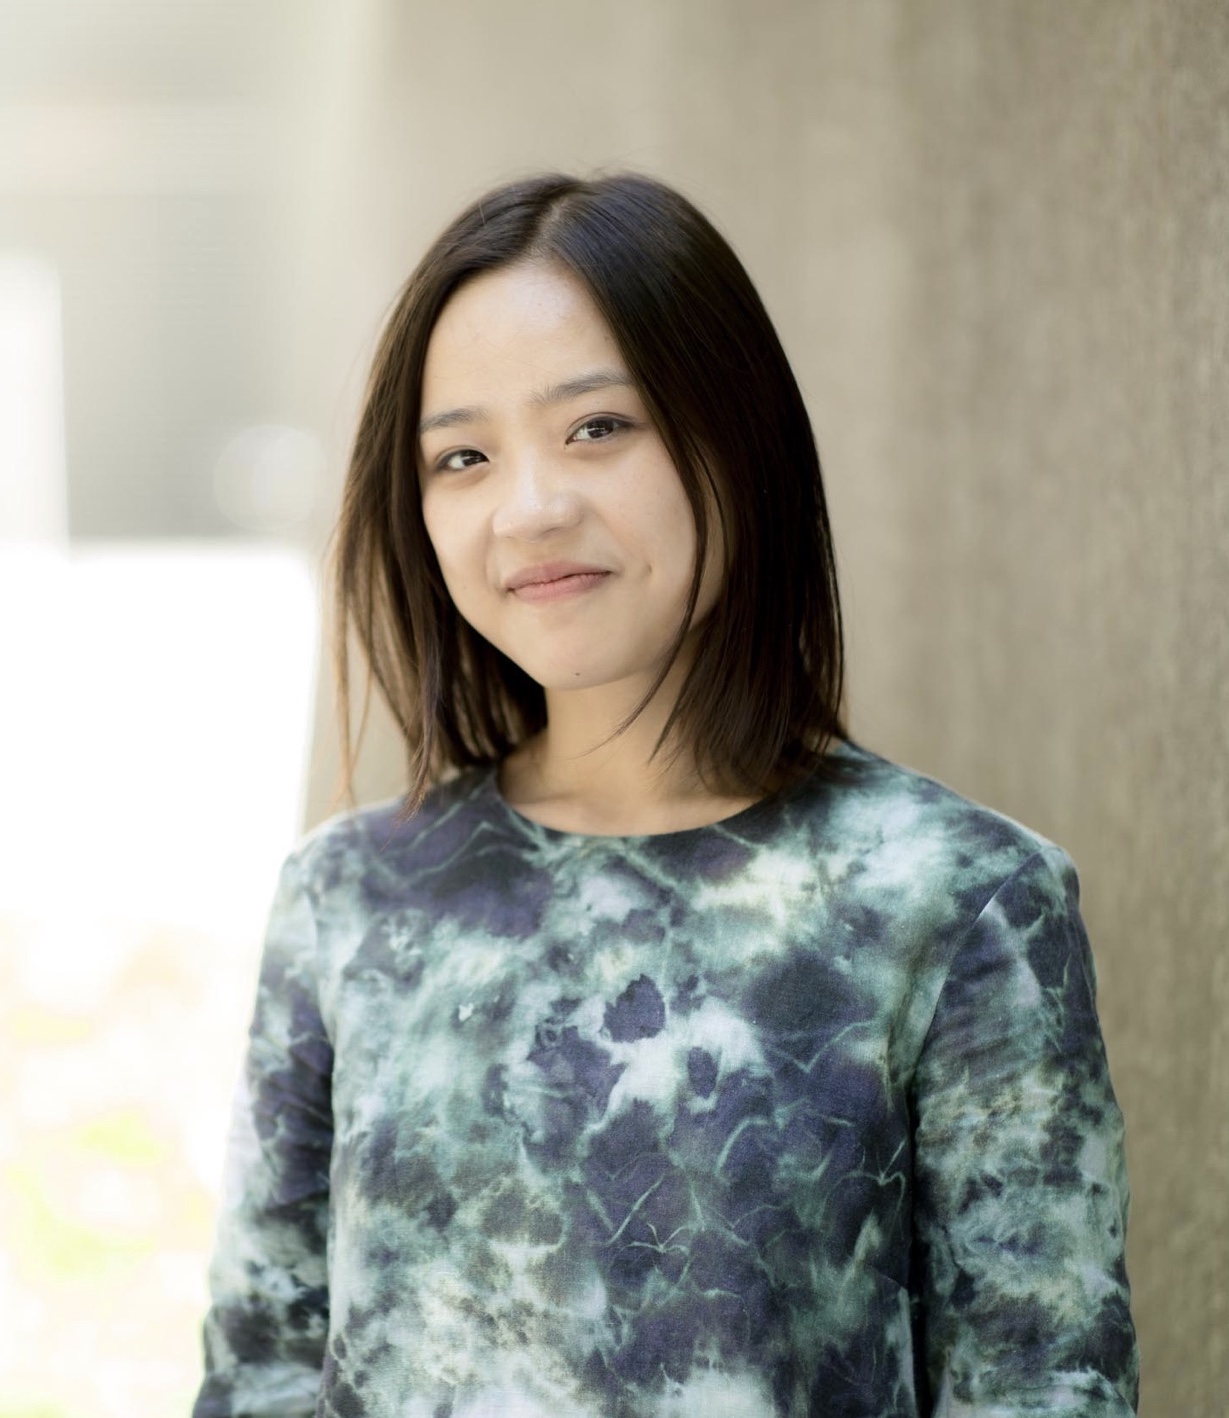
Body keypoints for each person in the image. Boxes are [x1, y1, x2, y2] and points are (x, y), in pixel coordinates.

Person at [192, 173, 1139, 1418]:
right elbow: (259, 1371)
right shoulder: (350, 899)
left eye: (596, 427)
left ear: (734, 437)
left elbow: (1041, 1385)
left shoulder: (958, 903)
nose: (528, 508)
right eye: (462, 455)